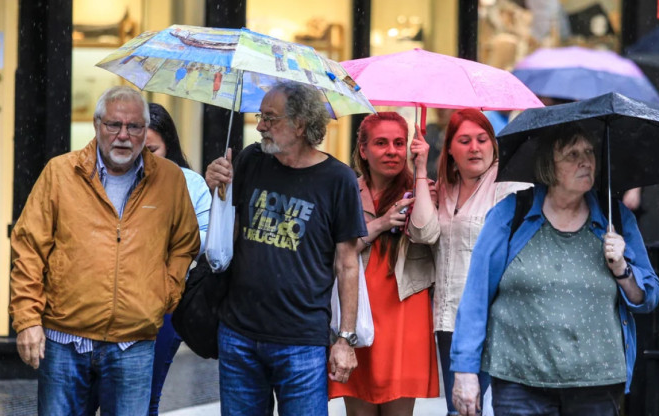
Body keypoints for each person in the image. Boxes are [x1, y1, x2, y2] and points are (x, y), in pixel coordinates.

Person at [8, 86, 201, 414]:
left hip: (133, 343)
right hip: (63, 340)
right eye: (114, 125)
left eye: (134, 126)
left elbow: (185, 243)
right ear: (97, 126)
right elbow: (28, 248)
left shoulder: (169, 180)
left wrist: (163, 294)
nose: (123, 135)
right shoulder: (60, 173)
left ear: (144, 130)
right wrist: (28, 320)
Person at [450, 125, 659, 416]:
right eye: (572, 154)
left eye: (589, 152)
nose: (585, 161)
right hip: (518, 381)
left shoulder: (615, 218)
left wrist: (622, 268)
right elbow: (476, 296)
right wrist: (465, 370)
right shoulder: (513, 213)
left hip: (596, 384)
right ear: (548, 166)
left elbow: (647, 298)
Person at [205, 81, 366, 415]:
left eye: (270, 118)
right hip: (239, 335)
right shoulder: (251, 160)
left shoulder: (338, 179)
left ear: (300, 125)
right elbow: (229, 238)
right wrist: (218, 192)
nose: (260, 125)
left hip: (302, 342)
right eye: (260, 116)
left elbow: (347, 264)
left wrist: (344, 339)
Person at [409, 109, 531, 415]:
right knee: (458, 410)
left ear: (493, 144)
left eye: (481, 139)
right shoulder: (444, 187)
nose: (474, 147)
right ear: (450, 148)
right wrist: (420, 172)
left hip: (492, 320)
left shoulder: (509, 187)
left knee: (485, 408)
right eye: (464, 140)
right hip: (448, 318)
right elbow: (422, 233)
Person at [328, 112, 440, 414]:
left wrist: (419, 171)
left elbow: (426, 234)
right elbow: (338, 252)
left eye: (399, 143)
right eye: (381, 143)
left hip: (405, 312)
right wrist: (381, 223)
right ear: (363, 149)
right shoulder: (347, 189)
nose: (392, 150)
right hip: (357, 313)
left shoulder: (422, 190)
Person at [145, 102, 212, 416]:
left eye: (152, 149)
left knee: (148, 394)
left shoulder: (190, 183)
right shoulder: (113, 179)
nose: (143, 158)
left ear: (168, 145)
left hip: (166, 304)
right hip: (110, 301)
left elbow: (201, 244)